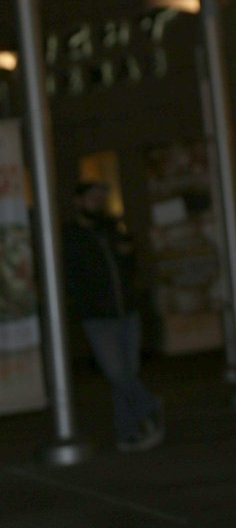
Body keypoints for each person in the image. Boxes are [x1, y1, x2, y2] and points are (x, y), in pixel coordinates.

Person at [62, 181, 163, 452]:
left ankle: (127, 432)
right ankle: (149, 405)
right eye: (92, 197)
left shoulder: (112, 229)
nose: (98, 202)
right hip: (98, 316)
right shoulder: (70, 235)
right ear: (78, 201)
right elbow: (72, 275)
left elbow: (128, 267)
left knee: (127, 374)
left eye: (101, 198)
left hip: (127, 311)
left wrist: (129, 254)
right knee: (117, 373)